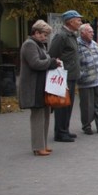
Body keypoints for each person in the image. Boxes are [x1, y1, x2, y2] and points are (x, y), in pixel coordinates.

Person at [19, 20, 63, 156]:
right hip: (33, 86)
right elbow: (35, 63)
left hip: (41, 85)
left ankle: (43, 144)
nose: (45, 37)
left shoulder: (39, 45)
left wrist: (52, 61)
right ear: (36, 33)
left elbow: (44, 60)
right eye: (44, 35)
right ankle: (38, 147)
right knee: (37, 116)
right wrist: (51, 62)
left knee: (45, 115)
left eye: (47, 35)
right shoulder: (29, 45)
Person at [49, 9, 83, 142]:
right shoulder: (61, 36)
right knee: (62, 105)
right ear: (70, 21)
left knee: (68, 105)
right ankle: (60, 132)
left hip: (72, 75)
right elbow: (52, 55)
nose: (80, 21)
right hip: (63, 76)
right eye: (78, 19)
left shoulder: (72, 35)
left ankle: (65, 129)